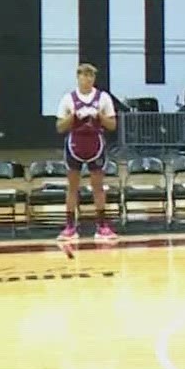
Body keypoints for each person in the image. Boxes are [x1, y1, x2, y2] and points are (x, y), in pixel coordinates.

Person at [55, 62, 117, 242]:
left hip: (95, 145)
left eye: (90, 76)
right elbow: (59, 127)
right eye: (83, 75)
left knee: (98, 186)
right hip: (75, 145)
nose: (87, 79)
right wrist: (73, 116)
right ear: (78, 77)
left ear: (94, 79)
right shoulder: (68, 98)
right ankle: (69, 227)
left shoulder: (103, 98)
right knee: (73, 187)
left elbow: (112, 125)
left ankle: (102, 226)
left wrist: (99, 116)